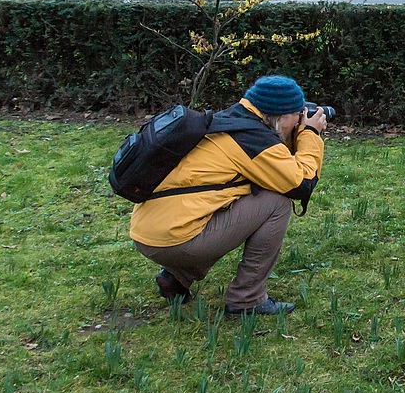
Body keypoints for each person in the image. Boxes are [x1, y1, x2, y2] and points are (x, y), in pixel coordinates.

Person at [130, 75, 327, 316]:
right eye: (298, 115)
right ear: (281, 117)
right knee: (277, 203)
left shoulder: (231, 122)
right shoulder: (253, 140)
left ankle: (176, 279)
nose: (300, 120)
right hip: (174, 241)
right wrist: (310, 135)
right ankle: (248, 298)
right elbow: (301, 183)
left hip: (147, 232)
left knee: (224, 202)